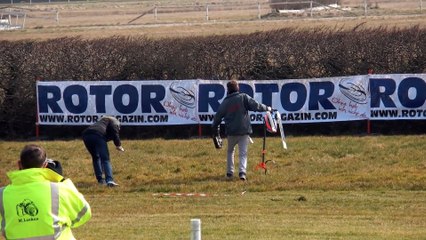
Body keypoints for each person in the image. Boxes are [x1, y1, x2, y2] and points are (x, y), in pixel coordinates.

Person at [0, 144, 91, 240]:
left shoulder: (2, 194)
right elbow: (84, 213)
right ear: (45, 165)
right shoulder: (61, 189)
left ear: (19, 164)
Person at [212, 80, 272, 181]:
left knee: (230, 152)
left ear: (228, 90)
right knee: (243, 153)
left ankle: (229, 172)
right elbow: (256, 105)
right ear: (237, 88)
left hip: (231, 132)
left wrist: (215, 130)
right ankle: (242, 173)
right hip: (244, 131)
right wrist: (267, 108)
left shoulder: (225, 102)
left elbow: (217, 117)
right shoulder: (243, 97)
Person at [82, 116, 124, 187]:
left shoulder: (101, 122)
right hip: (98, 135)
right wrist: (118, 145)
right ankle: (109, 180)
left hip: (86, 135)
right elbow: (115, 132)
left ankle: (100, 180)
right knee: (105, 159)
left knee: (96, 157)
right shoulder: (114, 121)